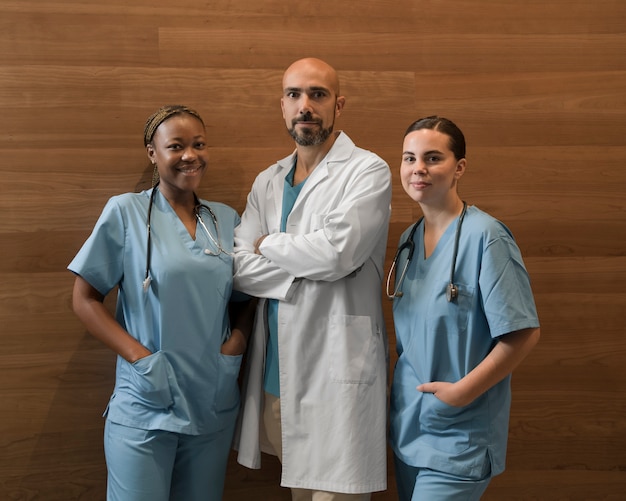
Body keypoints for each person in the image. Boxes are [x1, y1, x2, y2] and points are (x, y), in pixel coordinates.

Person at [68, 104, 254, 501]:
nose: (191, 155)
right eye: (176, 146)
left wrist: (236, 341)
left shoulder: (226, 219)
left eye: (199, 144)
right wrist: (139, 358)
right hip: (146, 402)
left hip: (211, 401)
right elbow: (84, 299)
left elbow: (246, 295)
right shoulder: (126, 212)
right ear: (153, 153)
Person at [232, 57, 392, 500]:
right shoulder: (268, 181)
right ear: (282, 106)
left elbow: (338, 253)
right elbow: (237, 266)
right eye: (294, 95)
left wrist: (268, 245)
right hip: (276, 380)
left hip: (337, 372)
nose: (306, 105)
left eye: (318, 95)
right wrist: (304, 268)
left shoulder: (367, 171)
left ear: (338, 104)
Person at [387, 116, 541, 500]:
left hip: (460, 432)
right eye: (409, 158)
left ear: (459, 168)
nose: (418, 169)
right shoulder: (409, 241)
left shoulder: (486, 237)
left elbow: (522, 334)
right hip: (410, 425)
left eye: (433, 158)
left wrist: (461, 393)